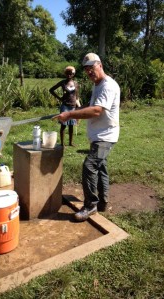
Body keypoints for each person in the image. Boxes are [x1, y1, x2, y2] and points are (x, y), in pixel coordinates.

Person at [53, 53, 120, 221]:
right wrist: (73, 112)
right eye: (86, 69)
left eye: (92, 68)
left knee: (89, 166)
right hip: (99, 135)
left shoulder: (107, 85)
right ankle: (103, 202)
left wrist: (69, 116)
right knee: (101, 167)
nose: (89, 72)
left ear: (100, 65)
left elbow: (97, 110)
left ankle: (90, 206)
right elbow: (90, 106)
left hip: (105, 137)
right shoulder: (97, 85)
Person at [49, 66, 80, 147]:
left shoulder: (76, 83)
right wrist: (59, 98)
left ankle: (70, 142)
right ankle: (62, 143)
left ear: (73, 74)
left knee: (71, 125)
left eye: (70, 74)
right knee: (63, 125)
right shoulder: (63, 83)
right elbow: (51, 90)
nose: (69, 75)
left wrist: (78, 106)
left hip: (73, 106)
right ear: (65, 74)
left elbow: (77, 96)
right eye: (67, 74)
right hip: (65, 106)